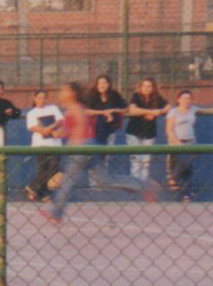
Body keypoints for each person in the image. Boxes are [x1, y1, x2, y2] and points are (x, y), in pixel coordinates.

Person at [43, 80, 159, 224]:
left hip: (82, 148)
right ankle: (144, 186)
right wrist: (59, 132)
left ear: (72, 93)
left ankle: (56, 212)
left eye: (64, 90)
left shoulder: (75, 108)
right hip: (89, 147)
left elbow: (80, 126)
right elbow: (71, 129)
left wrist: (71, 141)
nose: (61, 93)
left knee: (68, 181)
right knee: (104, 180)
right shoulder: (73, 108)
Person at [124, 77, 172, 182]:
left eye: (149, 86)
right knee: (136, 160)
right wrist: (150, 112)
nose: (146, 88)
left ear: (153, 88)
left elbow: (168, 107)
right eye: (144, 86)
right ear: (140, 87)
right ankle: (135, 183)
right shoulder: (136, 96)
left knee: (146, 161)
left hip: (149, 133)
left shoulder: (157, 98)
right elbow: (132, 110)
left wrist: (158, 112)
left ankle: (143, 183)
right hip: (134, 132)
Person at [21, 88, 64, 203]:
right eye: (39, 97)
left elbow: (60, 121)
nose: (41, 100)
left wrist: (50, 127)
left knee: (54, 168)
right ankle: (43, 194)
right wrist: (49, 130)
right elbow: (35, 128)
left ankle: (32, 188)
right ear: (35, 99)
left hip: (55, 145)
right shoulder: (32, 113)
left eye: (44, 98)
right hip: (40, 145)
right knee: (43, 170)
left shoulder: (53, 108)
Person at [167, 89, 198, 200]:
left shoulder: (193, 110)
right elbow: (169, 130)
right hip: (177, 142)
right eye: (184, 98)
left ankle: (186, 194)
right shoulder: (174, 111)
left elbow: (206, 110)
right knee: (182, 163)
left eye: (189, 98)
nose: (186, 100)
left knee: (188, 169)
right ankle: (173, 177)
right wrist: (177, 143)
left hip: (191, 142)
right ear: (178, 100)